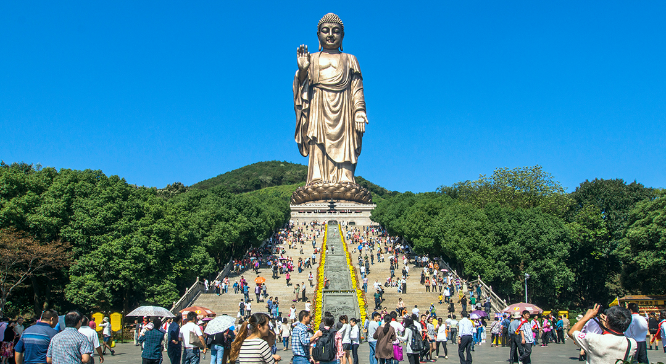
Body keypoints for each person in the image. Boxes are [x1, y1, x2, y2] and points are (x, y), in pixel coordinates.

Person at [569, 304, 636, 364]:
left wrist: (586, 316)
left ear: (607, 320)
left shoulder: (593, 339)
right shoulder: (632, 343)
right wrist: (605, 325)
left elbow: (572, 332)